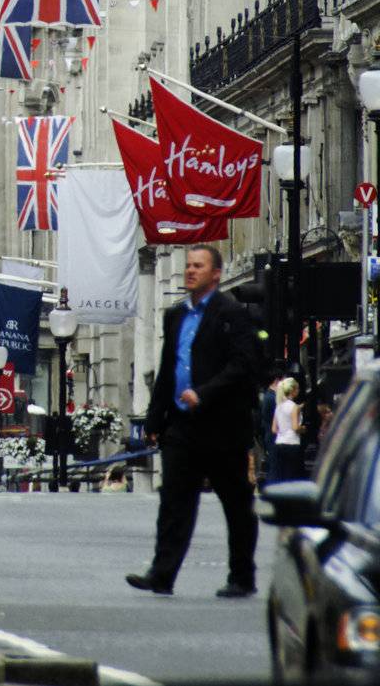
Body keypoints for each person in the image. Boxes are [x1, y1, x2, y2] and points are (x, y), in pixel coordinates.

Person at [126, 244, 259, 598]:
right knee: (174, 502)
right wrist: (155, 420)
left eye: (198, 266)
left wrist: (205, 392)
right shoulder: (176, 316)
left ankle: (242, 576)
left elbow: (243, 366)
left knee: (236, 503)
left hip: (222, 426)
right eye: (188, 266)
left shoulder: (232, 313)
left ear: (216, 273)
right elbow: (168, 369)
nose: (190, 271)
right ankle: (162, 573)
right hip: (182, 426)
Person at [269, 376, 303, 484]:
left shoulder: (278, 407)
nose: (298, 391)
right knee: (291, 474)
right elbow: (295, 427)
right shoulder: (294, 407)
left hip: (279, 442)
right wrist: (303, 429)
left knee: (280, 474)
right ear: (292, 391)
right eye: (297, 389)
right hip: (292, 443)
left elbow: (274, 429)